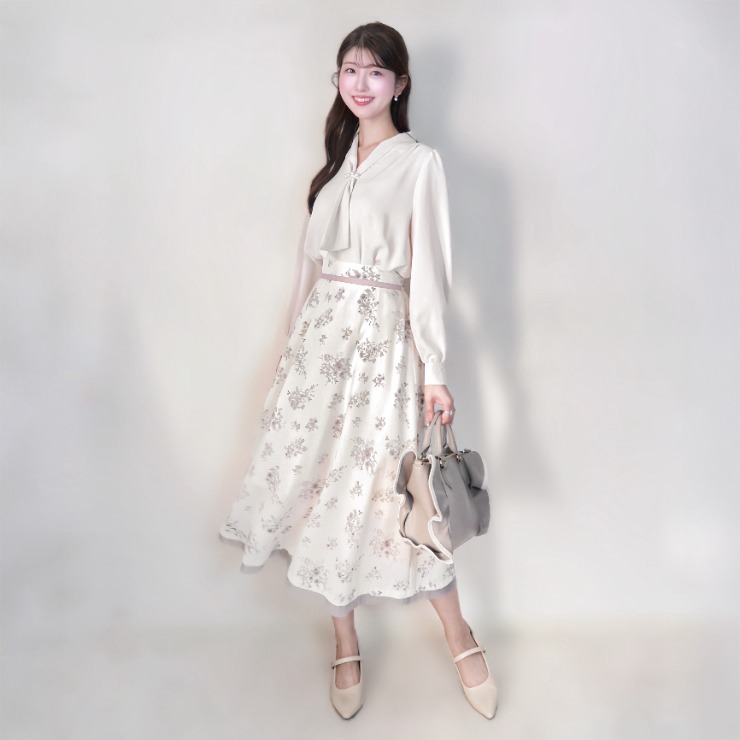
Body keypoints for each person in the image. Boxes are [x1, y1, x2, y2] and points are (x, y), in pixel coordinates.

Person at [218, 21, 497, 720]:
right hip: (320, 352)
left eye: (376, 70)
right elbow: (307, 269)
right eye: (350, 69)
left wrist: (434, 368)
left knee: (395, 495)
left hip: (382, 349)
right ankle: (345, 640)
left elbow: (430, 274)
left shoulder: (418, 163)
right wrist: (291, 350)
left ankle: (459, 636)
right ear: (338, 80)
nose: (361, 82)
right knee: (323, 490)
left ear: (400, 84)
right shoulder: (337, 163)